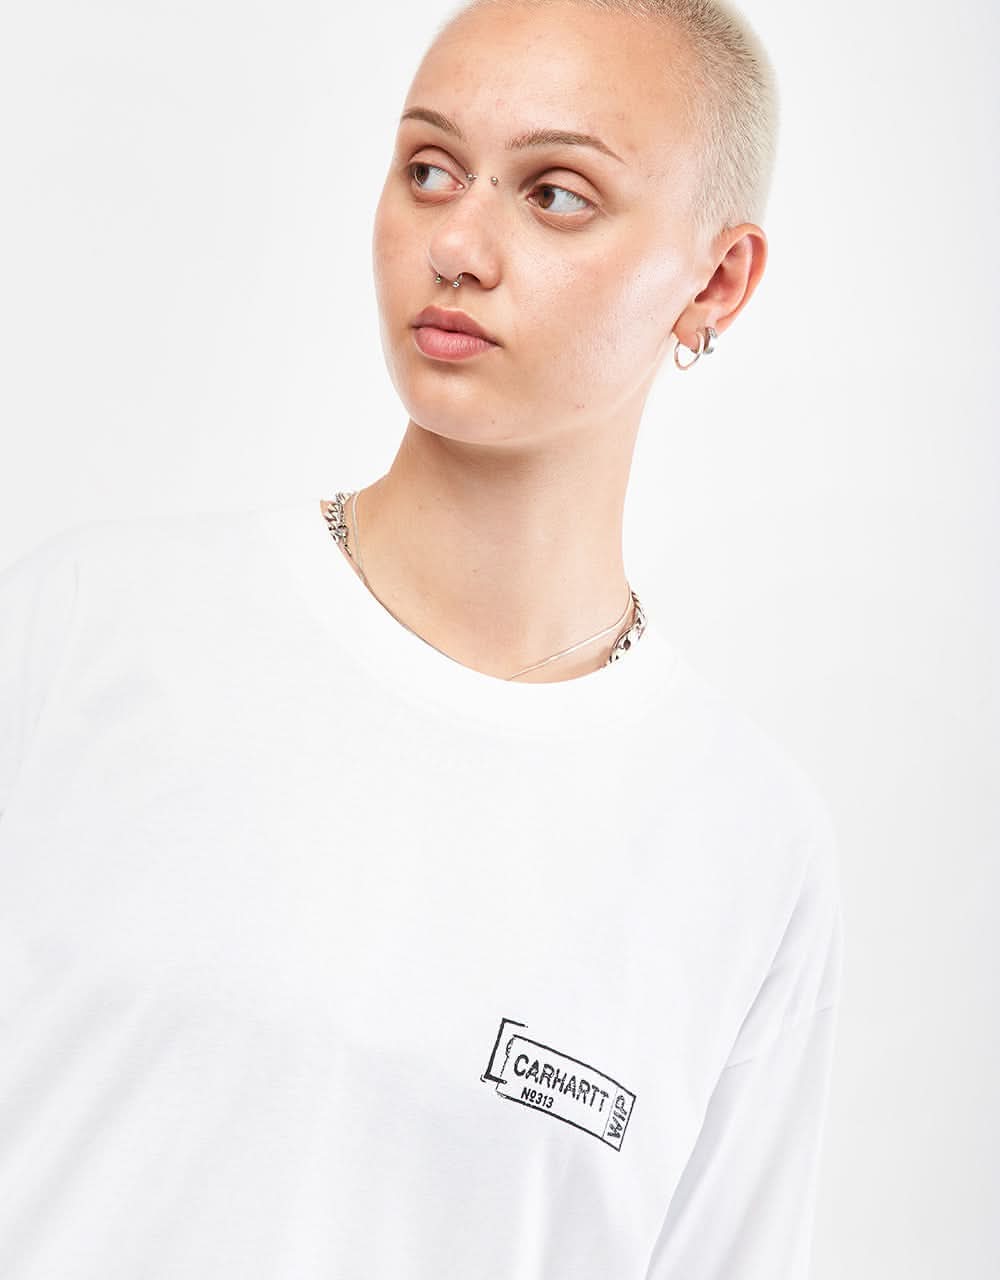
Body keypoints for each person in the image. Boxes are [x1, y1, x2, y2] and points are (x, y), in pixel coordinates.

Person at [0, 0, 844, 1276]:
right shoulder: (94, 624)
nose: (455, 244)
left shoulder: (744, 844)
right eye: (430, 169)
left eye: (554, 195)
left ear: (715, 280)